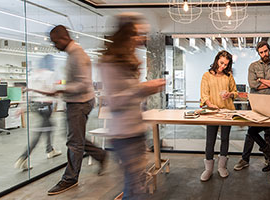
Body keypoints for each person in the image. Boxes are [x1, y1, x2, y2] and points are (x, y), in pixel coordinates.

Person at [99, 13, 166, 199]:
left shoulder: (128, 61)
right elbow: (115, 102)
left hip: (135, 131)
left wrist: (143, 90)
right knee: (136, 187)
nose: (141, 39)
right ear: (126, 35)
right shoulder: (109, 63)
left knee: (136, 184)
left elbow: (130, 96)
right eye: (137, 34)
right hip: (124, 135)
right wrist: (144, 88)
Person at [47, 25, 107, 195]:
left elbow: (82, 84)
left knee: (74, 142)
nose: (54, 45)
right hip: (77, 102)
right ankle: (100, 155)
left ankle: (70, 178)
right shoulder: (72, 54)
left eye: (55, 41)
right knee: (76, 138)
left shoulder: (77, 55)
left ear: (64, 38)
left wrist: (61, 89)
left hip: (79, 102)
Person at [234, 41, 270, 171]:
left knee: (269, 133)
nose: (264, 54)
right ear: (258, 53)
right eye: (261, 52)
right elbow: (252, 84)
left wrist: (261, 81)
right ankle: (245, 159)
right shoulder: (253, 66)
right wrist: (269, 83)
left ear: (269, 50)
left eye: (266, 51)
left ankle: (269, 158)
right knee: (251, 133)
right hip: (255, 103)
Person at [14, 55, 62, 171]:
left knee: (49, 126)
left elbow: (28, 94)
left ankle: (50, 150)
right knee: (40, 132)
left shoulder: (32, 75)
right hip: (46, 105)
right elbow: (53, 91)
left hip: (36, 105)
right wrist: (60, 105)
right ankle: (23, 157)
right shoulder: (50, 74)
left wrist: (22, 107)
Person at [200, 50, 238, 181]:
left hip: (227, 111)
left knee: (225, 139)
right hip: (212, 112)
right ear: (216, 60)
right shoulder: (206, 75)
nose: (223, 66)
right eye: (221, 63)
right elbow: (204, 94)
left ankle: (222, 167)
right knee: (210, 140)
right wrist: (210, 104)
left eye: (226, 64)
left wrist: (230, 94)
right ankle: (208, 169)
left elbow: (235, 92)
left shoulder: (229, 76)